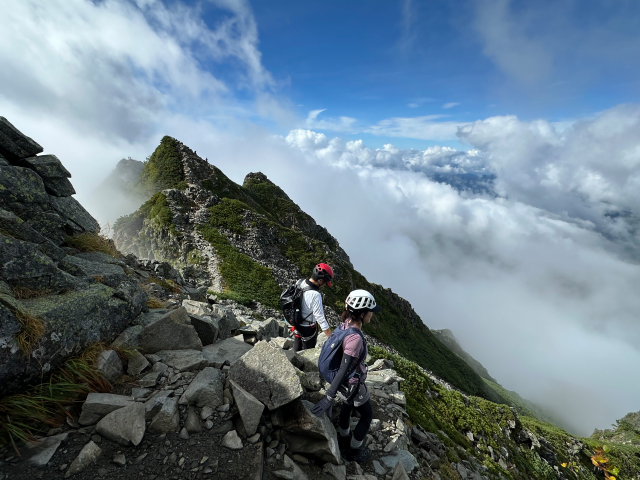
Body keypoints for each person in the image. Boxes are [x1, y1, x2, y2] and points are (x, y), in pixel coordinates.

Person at [311, 289, 381, 463]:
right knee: (367, 415)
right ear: (362, 313)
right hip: (350, 383)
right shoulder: (355, 338)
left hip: (339, 382)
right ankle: (353, 450)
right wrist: (329, 396)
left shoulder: (344, 324)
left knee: (347, 405)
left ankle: (344, 437)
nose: (372, 314)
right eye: (370, 311)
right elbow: (344, 367)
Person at [292, 263, 334, 352]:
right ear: (320, 280)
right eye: (325, 282)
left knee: (296, 349)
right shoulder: (315, 295)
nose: (325, 285)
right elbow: (320, 318)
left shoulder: (300, 282)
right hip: (308, 328)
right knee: (307, 354)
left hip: (296, 323)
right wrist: (330, 337)